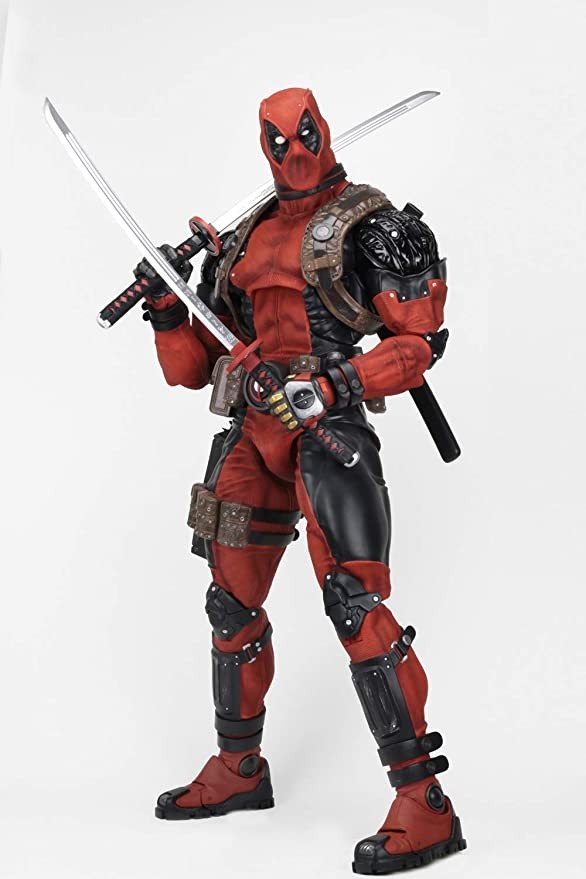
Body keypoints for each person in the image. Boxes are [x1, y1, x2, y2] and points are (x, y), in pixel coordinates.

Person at [141, 87, 465, 875]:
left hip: (328, 430)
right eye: (279, 141)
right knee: (229, 601)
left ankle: (424, 800)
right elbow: (192, 369)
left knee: (356, 602)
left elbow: (420, 345)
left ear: (323, 130)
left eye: (305, 134)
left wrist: (334, 385)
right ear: (264, 145)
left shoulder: (375, 226)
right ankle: (239, 767)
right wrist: (167, 308)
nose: (294, 153)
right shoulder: (241, 239)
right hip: (255, 427)